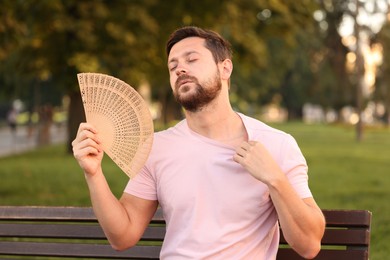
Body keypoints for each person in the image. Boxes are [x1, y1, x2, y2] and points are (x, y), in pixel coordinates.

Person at [72, 26, 325, 259]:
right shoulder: (157, 148)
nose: (180, 69)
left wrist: (275, 179)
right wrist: (93, 174)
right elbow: (122, 237)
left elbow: (309, 244)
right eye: (173, 66)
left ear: (225, 68)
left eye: (192, 60)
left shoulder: (276, 144)